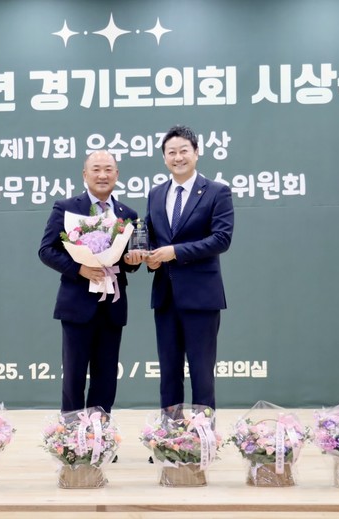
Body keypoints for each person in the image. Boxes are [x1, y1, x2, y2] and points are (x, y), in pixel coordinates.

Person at [38, 150, 142, 414]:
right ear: (85, 174)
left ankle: (100, 432)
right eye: (96, 169)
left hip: (112, 307)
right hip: (77, 305)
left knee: (106, 376)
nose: (102, 175)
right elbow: (46, 250)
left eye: (108, 169)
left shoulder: (128, 214)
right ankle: (71, 433)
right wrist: (79, 269)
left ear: (117, 174)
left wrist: (133, 260)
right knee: (73, 375)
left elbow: (132, 262)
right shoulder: (66, 208)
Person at [143, 125, 234, 411]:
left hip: (201, 296)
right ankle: (169, 434)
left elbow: (221, 239)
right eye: (171, 152)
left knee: (201, 371)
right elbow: (151, 236)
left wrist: (174, 252)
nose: (178, 157)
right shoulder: (156, 194)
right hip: (165, 296)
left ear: (196, 153)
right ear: (164, 158)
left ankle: (202, 434)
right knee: (169, 372)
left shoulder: (217, 192)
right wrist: (149, 257)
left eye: (184, 151)